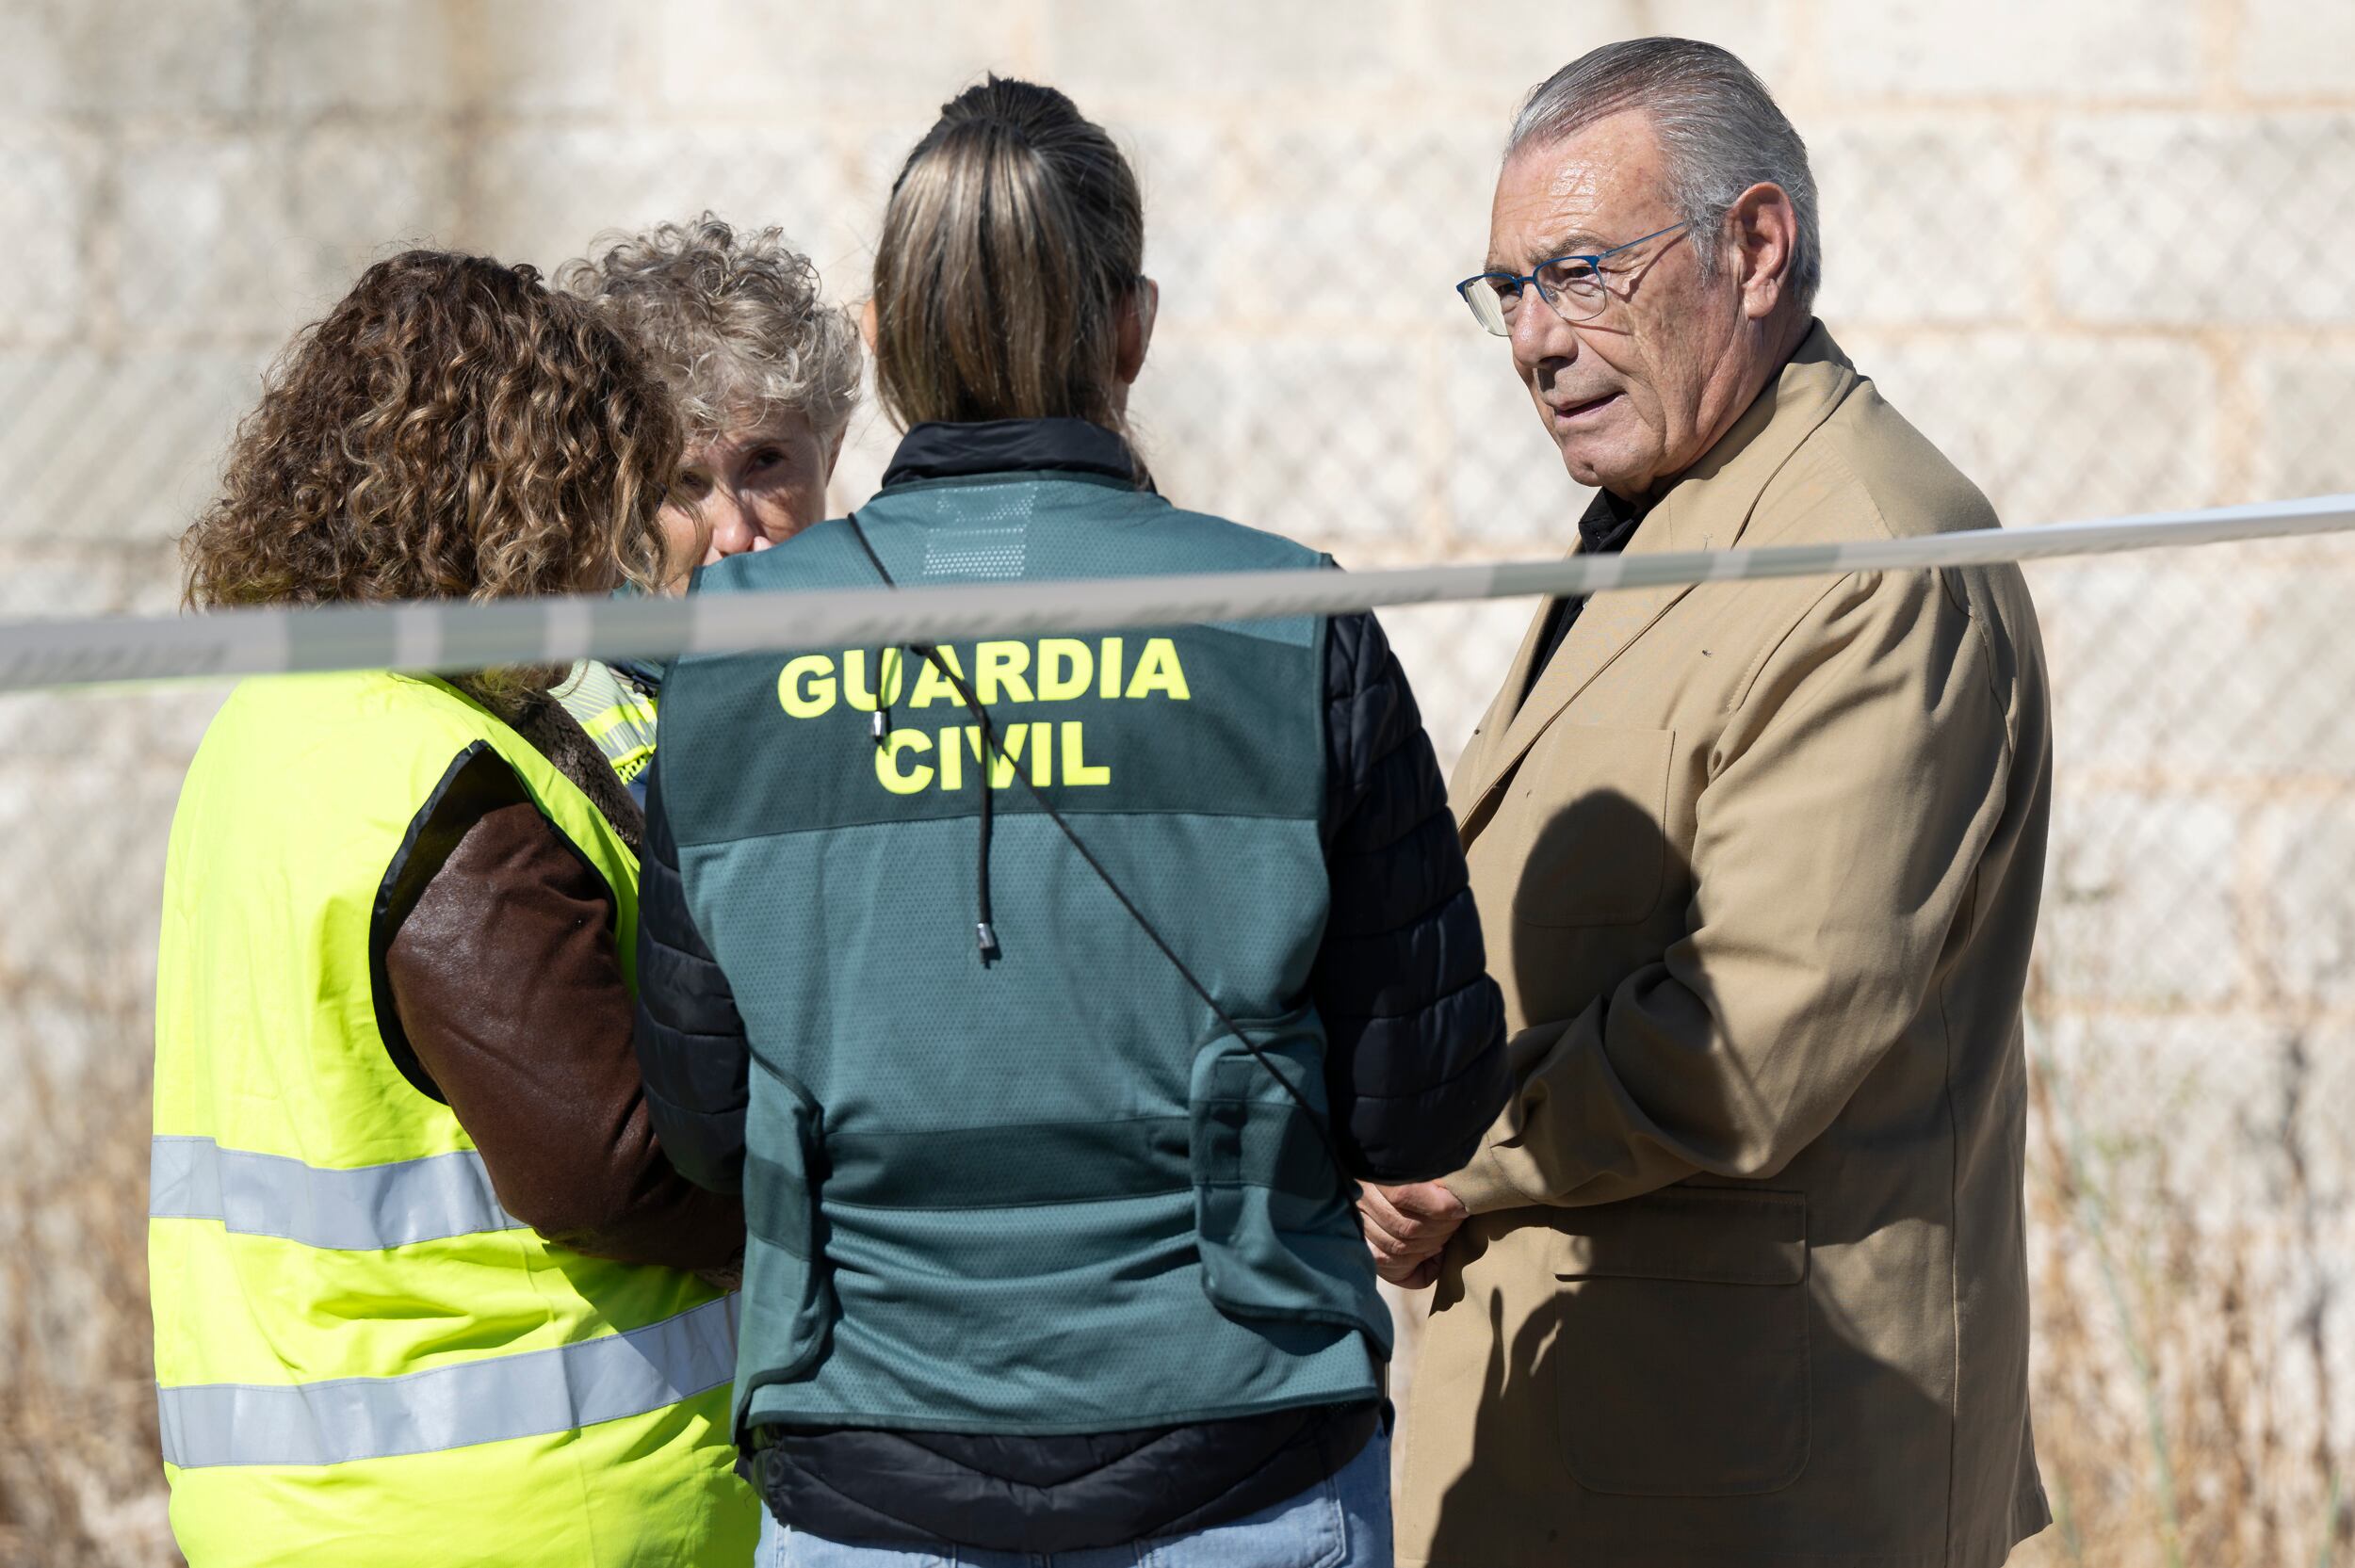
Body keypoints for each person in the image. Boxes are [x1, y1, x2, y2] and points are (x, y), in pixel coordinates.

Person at [634, 77, 1510, 1566]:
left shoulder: (726, 651)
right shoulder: (1291, 621)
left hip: (867, 1468)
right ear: (1131, 327)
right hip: (1243, 1461)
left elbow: (708, 1128)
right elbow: (1419, 1102)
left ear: (884, 332)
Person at [1365, 39, 2054, 1568]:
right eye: (1508, 290)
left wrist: (1449, 1144)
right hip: (1611, 1446)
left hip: (1760, 1475)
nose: (1535, 340)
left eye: (1583, 272)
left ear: (1754, 247)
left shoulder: (1870, 557)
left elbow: (1756, 1031)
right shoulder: (1672, 517)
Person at [152, 251, 759, 1566]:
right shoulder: (427, 770)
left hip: (302, 1498)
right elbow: (613, 1164)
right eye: (590, 509)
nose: (607, 563)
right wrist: (832, 1214)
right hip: (534, 1506)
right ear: (506, 507)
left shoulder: (264, 727)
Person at [551, 216, 865, 796]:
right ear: (614, 498)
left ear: (832, 451)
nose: (736, 533)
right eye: (684, 484)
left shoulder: (898, 673)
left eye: (766, 463)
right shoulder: (558, 712)